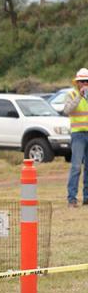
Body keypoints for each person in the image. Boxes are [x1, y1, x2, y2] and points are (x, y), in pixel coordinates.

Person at [63, 68, 88, 207]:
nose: (84, 83)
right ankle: (72, 199)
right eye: (82, 81)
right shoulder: (71, 94)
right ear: (77, 83)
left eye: (86, 81)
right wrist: (80, 96)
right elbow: (67, 110)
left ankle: (87, 197)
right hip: (78, 135)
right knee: (76, 167)